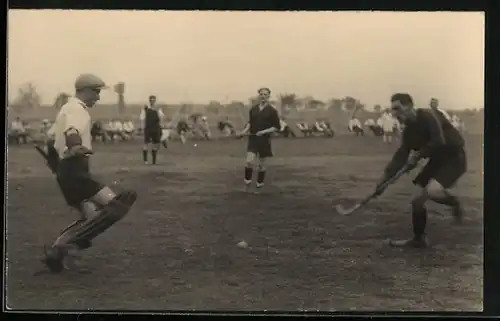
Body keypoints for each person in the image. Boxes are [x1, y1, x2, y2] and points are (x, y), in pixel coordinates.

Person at [42, 73, 137, 273]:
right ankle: (66, 246)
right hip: (75, 170)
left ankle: (57, 251)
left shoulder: (67, 108)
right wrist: (75, 146)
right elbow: (71, 132)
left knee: (91, 217)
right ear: (84, 90)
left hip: (68, 170)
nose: (98, 97)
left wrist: (55, 163)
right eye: (96, 92)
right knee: (114, 206)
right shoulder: (77, 109)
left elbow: (51, 139)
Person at [376, 93, 466, 248]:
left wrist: (418, 156)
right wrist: (383, 181)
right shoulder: (409, 131)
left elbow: (439, 141)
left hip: (454, 158)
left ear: (410, 106)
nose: (395, 114)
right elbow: (401, 156)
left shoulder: (428, 116)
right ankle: (419, 239)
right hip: (437, 160)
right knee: (417, 201)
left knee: (432, 191)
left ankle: (454, 202)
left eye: (398, 108)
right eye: (392, 110)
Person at [238, 87, 281, 193]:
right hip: (253, 139)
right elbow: (250, 123)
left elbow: (276, 127)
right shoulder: (253, 109)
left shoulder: (272, 111)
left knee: (262, 165)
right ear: (259, 96)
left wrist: (263, 132)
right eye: (261, 94)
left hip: (264, 140)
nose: (263, 96)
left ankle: (259, 186)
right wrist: (244, 131)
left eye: (265, 94)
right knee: (249, 162)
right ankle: (247, 185)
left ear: (269, 96)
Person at [140, 95, 164, 164]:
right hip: (148, 127)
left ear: (155, 101)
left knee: (155, 144)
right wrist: (142, 127)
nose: (152, 101)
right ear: (149, 100)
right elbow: (142, 118)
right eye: (151, 100)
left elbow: (161, 117)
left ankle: (154, 161)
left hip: (156, 127)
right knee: (146, 143)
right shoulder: (145, 109)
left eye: (153, 100)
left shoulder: (158, 109)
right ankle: (145, 160)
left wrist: (161, 125)